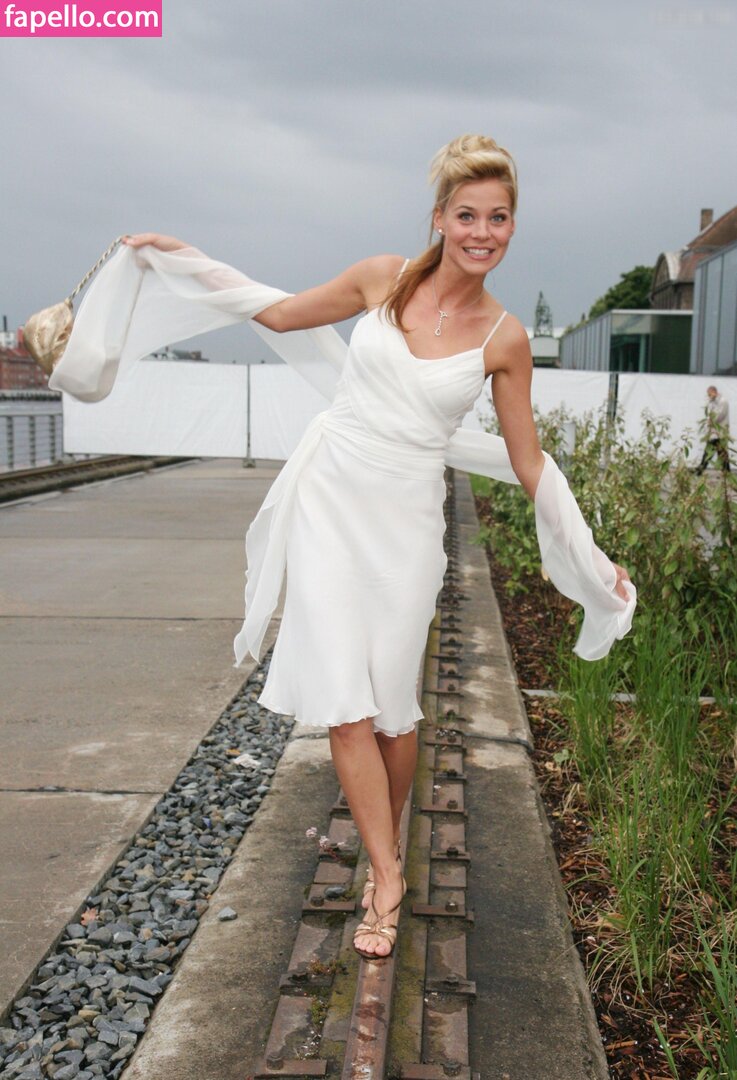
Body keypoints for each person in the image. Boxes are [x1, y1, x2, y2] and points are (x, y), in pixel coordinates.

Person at [75, 134, 633, 962]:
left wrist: (589, 556)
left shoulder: (504, 339)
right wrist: (182, 259)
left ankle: (384, 846)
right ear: (438, 217)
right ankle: (388, 876)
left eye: (498, 218)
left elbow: (527, 462)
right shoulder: (381, 277)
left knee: (393, 711)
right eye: (467, 215)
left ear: (512, 226)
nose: (482, 232)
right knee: (346, 706)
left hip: (406, 526)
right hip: (330, 501)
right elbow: (276, 312)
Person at [694, 385, 731, 474]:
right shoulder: (712, 401)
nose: (709, 396)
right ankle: (726, 471)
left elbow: (720, 415)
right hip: (714, 432)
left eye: (709, 394)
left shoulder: (723, 401)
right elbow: (710, 412)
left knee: (717, 452)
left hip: (720, 432)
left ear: (714, 392)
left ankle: (701, 469)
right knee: (717, 452)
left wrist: (711, 420)